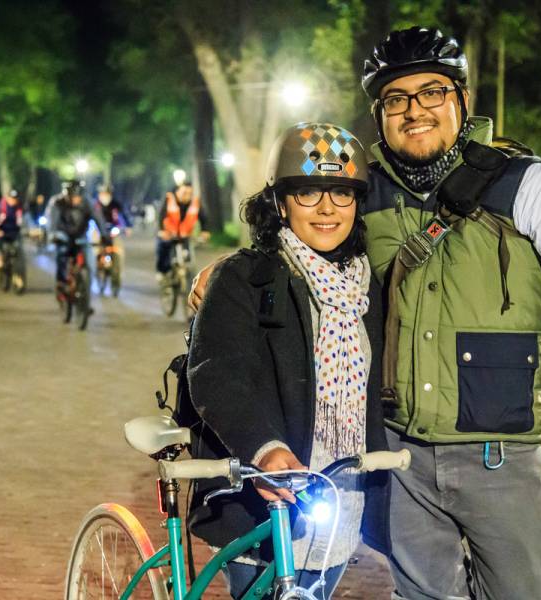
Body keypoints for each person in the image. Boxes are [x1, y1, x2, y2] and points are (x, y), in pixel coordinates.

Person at [191, 26, 541, 600]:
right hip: (400, 462)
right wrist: (232, 270)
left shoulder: (530, 186)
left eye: (432, 92)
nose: (415, 111)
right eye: (396, 99)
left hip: (499, 458)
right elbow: (302, 231)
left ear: (461, 98)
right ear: (379, 114)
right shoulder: (365, 192)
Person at [185, 123, 390, 600]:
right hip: (267, 495)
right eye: (308, 193)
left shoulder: (367, 289)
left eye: (341, 194)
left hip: (340, 499)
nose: (326, 209)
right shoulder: (244, 278)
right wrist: (265, 448)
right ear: (280, 203)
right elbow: (218, 371)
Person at [46, 180, 109, 297]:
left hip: (81, 236)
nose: (76, 200)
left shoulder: (88, 202)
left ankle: (85, 296)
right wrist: (53, 235)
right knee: (62, 255)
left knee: (90, 262)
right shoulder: (57, 203)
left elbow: (98, 218)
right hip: (63, 235)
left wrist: (104, 235)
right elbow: (51, 222)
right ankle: (61, 282)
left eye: (78, 197)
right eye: (73, 197)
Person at [155, 180, 208, 282]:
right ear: (177, 192)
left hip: (185, 236)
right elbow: (161, 215)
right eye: (184, 193)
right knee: (163, 249)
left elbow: (203, 217)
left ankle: (190, 279)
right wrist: (162, 230)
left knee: (189, 258)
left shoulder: (195, 202)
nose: (187, 196)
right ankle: (162, 271)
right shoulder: (169, 199)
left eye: (189, 194)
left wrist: (205, 231)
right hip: (169, 235)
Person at [0, 189, 26, 285]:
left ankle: (18, 275)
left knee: (19, 250)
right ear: (7, 198)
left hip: (15, 232)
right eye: (11, 198)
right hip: (2, 231)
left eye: (15, 199)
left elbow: (28, 219)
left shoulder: (20, 207)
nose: (13, 201)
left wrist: (33, 229)